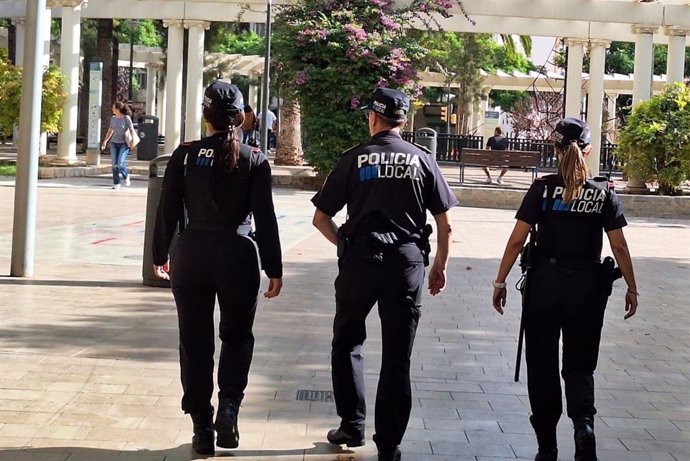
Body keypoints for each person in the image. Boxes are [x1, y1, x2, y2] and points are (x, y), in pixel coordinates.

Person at [311, 87, 458, 461]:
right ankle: (389, 443)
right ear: (403, 121)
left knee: (346, 343)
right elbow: (445, 224)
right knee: (397, 355)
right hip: (405, 264)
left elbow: (320, 217)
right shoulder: (422, 160)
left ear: (372, 118)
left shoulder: (355, 158)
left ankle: (352, 425)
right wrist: (439, 265)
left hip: (360, 261)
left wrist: (343, 246)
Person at [491, 117, 638, 461]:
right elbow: (619, 247)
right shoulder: (602, 193)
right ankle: (583, 426)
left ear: (556, 149)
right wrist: (633, 287)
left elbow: (516, 241)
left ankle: (547, 446)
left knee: (541, 364)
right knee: (580, 364)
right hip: (588, 289)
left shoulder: (542, 189)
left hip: (544, 287)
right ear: (587, 150)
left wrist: (500, 282)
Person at [151, 81, 283, 456]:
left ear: (205, 115)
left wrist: (160, 253)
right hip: (238, 255)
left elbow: (168, 211)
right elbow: (266, 218)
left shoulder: (186, 155)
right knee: (237, 336)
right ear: (240, 116)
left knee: (194, 342)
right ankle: (228, 408)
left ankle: (201, 426)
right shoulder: (254, 158)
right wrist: (274, 266)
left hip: (192, 255)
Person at [101, 101, 136, 189]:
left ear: (118, 109)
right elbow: (110, 131)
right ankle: (116, 183)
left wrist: (133, 140)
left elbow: (131, 129)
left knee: (120, 163)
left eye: (113, 107)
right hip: (114, 143)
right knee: (114, 164)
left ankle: (126, 176)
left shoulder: (126, 118)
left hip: (124, 144)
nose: (112, 109)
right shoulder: (113, 118)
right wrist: (105, 141)